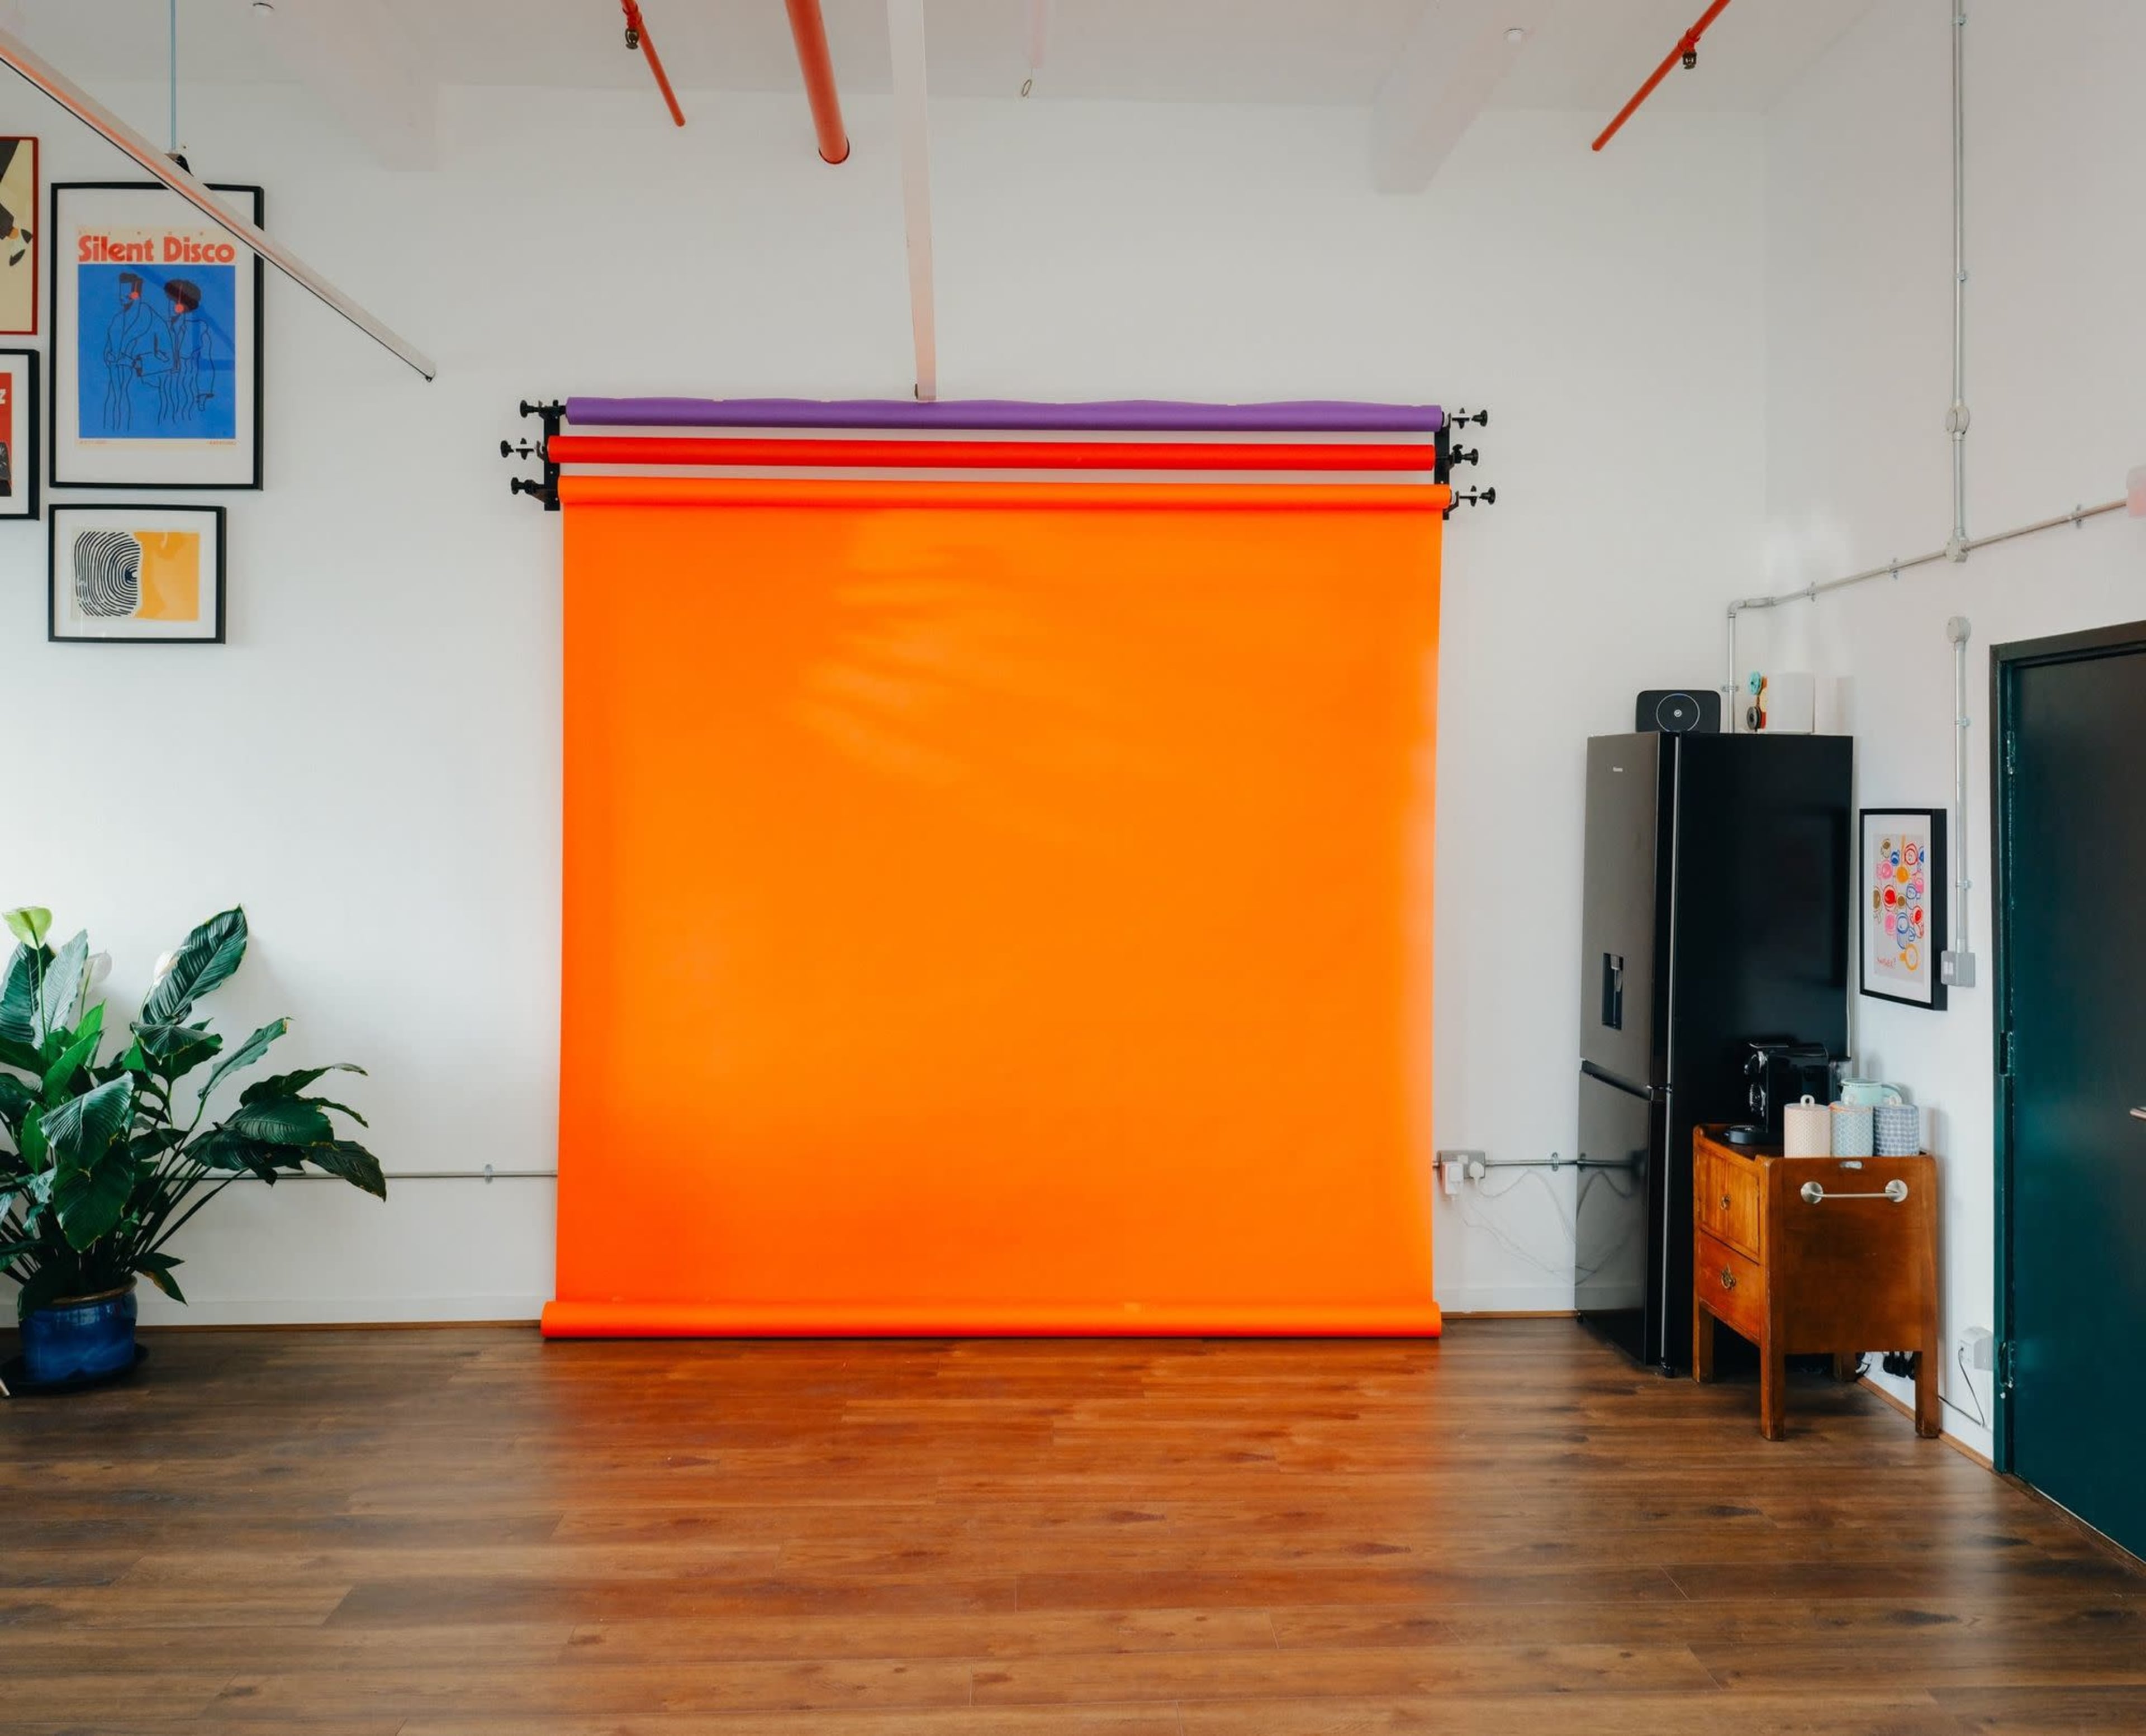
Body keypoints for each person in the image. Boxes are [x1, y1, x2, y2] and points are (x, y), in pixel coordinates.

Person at [101, 272, 156, 434]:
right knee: (113, 403)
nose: (120, 297)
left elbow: (169, 358)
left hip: (138, 383)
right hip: (114, 377)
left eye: (125, 294)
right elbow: (109, 346)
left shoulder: (150, 317)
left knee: (126, 408)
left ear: (136, 294)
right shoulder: (117, 319)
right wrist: (108, 356)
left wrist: (134, 363)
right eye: (120, 293)